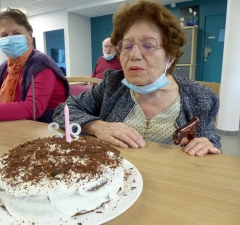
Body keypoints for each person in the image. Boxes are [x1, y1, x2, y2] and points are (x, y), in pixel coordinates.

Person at [53, 0, 221, 157]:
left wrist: (206, 146)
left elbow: (212, 144)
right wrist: (98, 127)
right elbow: (64, 110)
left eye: (148, 45)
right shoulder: (112, 85)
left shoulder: (200, 97)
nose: (133, 55)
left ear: (170, 56)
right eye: (127, 46)